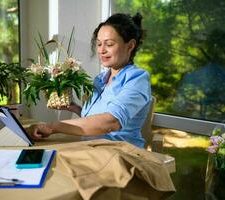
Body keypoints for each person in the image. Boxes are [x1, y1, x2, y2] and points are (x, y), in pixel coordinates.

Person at [27, 12, 152, 148]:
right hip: (90, 147)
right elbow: (96, 117)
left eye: (109, 44)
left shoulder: (137, 79)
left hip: (119, 153)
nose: (101, 50)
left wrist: (53, 127)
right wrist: (76, 108)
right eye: (99, 44)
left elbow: (110, 123)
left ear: (130, 45)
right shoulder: (101, 79)